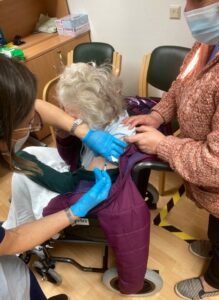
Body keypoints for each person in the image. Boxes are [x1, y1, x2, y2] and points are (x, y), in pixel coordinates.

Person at [0, 53, 129, 299]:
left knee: (24, 166)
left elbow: (72, 183)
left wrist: (78, 131)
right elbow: (9, 242)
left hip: (76, 183)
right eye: (28, 123)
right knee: (25, 164)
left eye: (70, 114)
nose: (35, 126)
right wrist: (67, 134)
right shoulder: (110, 115)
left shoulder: (112, 139)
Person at [123, 0, 219, 299]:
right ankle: (217, 248)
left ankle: (216, 281)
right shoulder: (205, 44)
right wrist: (157, 115)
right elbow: (178, 86)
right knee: (216, 221)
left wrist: (163, 144)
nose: (188, 9)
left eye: (198, 1)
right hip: (213, 186)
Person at [3, 62, 135, 227]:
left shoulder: (117, 140)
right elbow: (72, 159)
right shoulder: (100, 115)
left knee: (22, 171)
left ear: (89, 114)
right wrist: (64, 134)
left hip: (84, 191)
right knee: (27, 156)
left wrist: (24, 160)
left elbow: (74, 186)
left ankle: (20, 227)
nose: (64, 116)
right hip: (79, 171)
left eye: (70, 114)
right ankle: (16, 224)